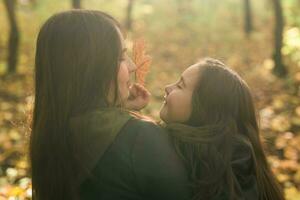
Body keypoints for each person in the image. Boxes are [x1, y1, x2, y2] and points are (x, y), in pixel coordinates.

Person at [29, 10, 191, 200]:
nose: (132, 66)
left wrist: (118, 110)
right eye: (121, 57)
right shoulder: (141, 138)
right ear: (92, 69)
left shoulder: (50, 137)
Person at [160, 58, 285, 200]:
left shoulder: (193, 163)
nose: (167, 87)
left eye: (180, 86)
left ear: (205, 110)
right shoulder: (235, 163)